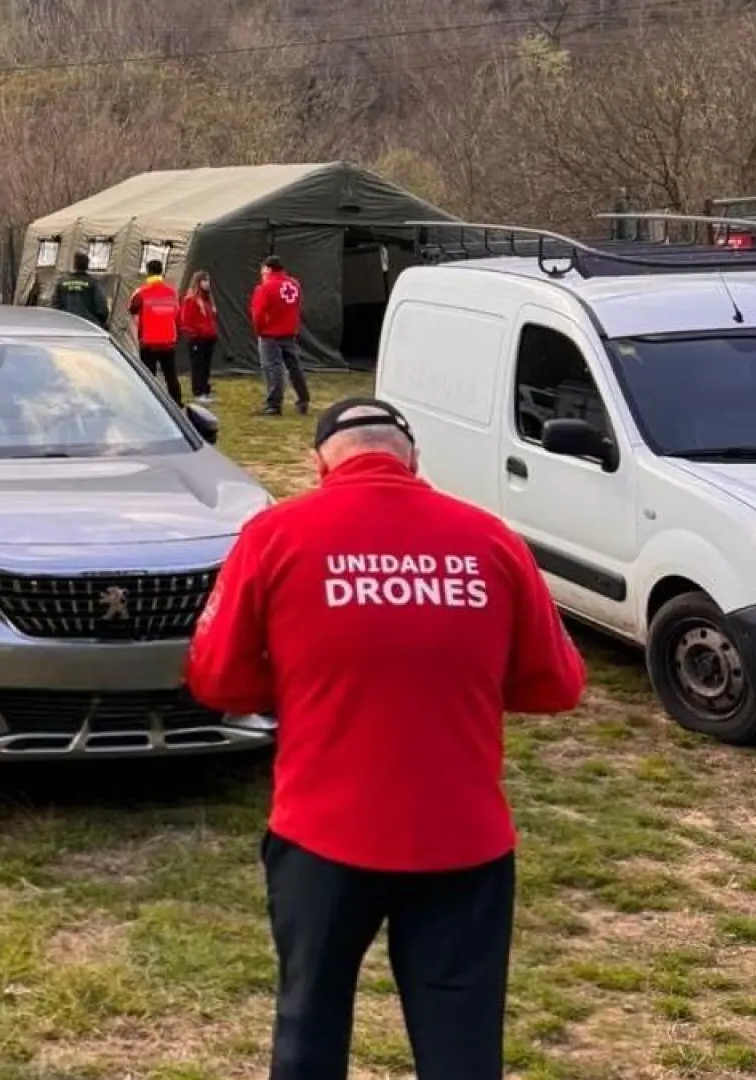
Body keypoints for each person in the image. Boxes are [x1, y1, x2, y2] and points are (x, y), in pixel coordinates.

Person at [184, 398, 587, 1080]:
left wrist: (303, 685)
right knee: (461, 1046)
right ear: (413, 461)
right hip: (464, 842)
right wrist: (464, 685)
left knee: (309, 1025)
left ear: (319, 466)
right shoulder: (491, 540)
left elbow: (215, 677)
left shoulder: (276, 536)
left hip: (322, 839)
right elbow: (558, 685)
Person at [251, 255, 309, 416]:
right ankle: (303, 398)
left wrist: (260, 330)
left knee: (273, 367)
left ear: (268, 269)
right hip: (289, 332)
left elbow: (258, 314)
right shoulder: (294, 284)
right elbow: (298, 307)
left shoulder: (265, 288)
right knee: (294, 366)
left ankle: (273, 405)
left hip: (270, 334)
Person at [126, 258, 182, 403]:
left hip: (148, 342)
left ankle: (150, 403)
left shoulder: (141, 292)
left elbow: (132, 310)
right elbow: (176, 313)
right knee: (171, 376)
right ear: (162, 272)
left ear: (148, 272)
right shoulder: (172, 292)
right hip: (168, 341)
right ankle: (177, 403)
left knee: (149, 376)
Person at [179, 270, 219, 403]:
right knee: (198, 365)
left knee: (206, 366)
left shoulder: (208, 300)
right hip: (197, 339)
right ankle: (198, 392)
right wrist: (194, 335)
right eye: (204, 280)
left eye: (208, 280)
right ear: (198, 282)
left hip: (209, 338)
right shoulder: (191, 300)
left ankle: (205, 389)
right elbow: (186, 321)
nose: (207, 283)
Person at [51, 252, 109, 329]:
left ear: (74, 265)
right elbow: (102, 308)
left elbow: (55, 305)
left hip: (65, 326)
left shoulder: (62, 282)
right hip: (87, 326)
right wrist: (99, 322)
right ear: (87, 266)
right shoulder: (94, 283)